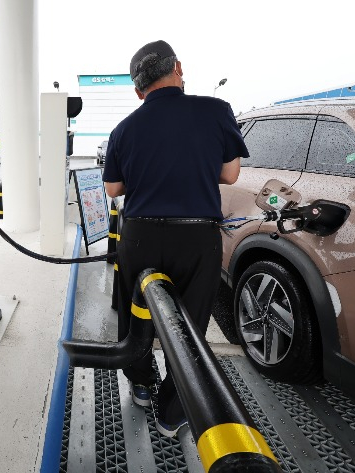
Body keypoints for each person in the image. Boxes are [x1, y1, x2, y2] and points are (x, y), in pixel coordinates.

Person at [102, 40, 248, 438]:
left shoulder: (124, 128)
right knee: (188, 324)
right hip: (196, 237)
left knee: (138, 312)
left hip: (139, 237)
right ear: (178, 68)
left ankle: (140, 384)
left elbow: (113, 188)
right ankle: (172, 409)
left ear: (138, 90)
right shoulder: (216, 111)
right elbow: (231, 174)